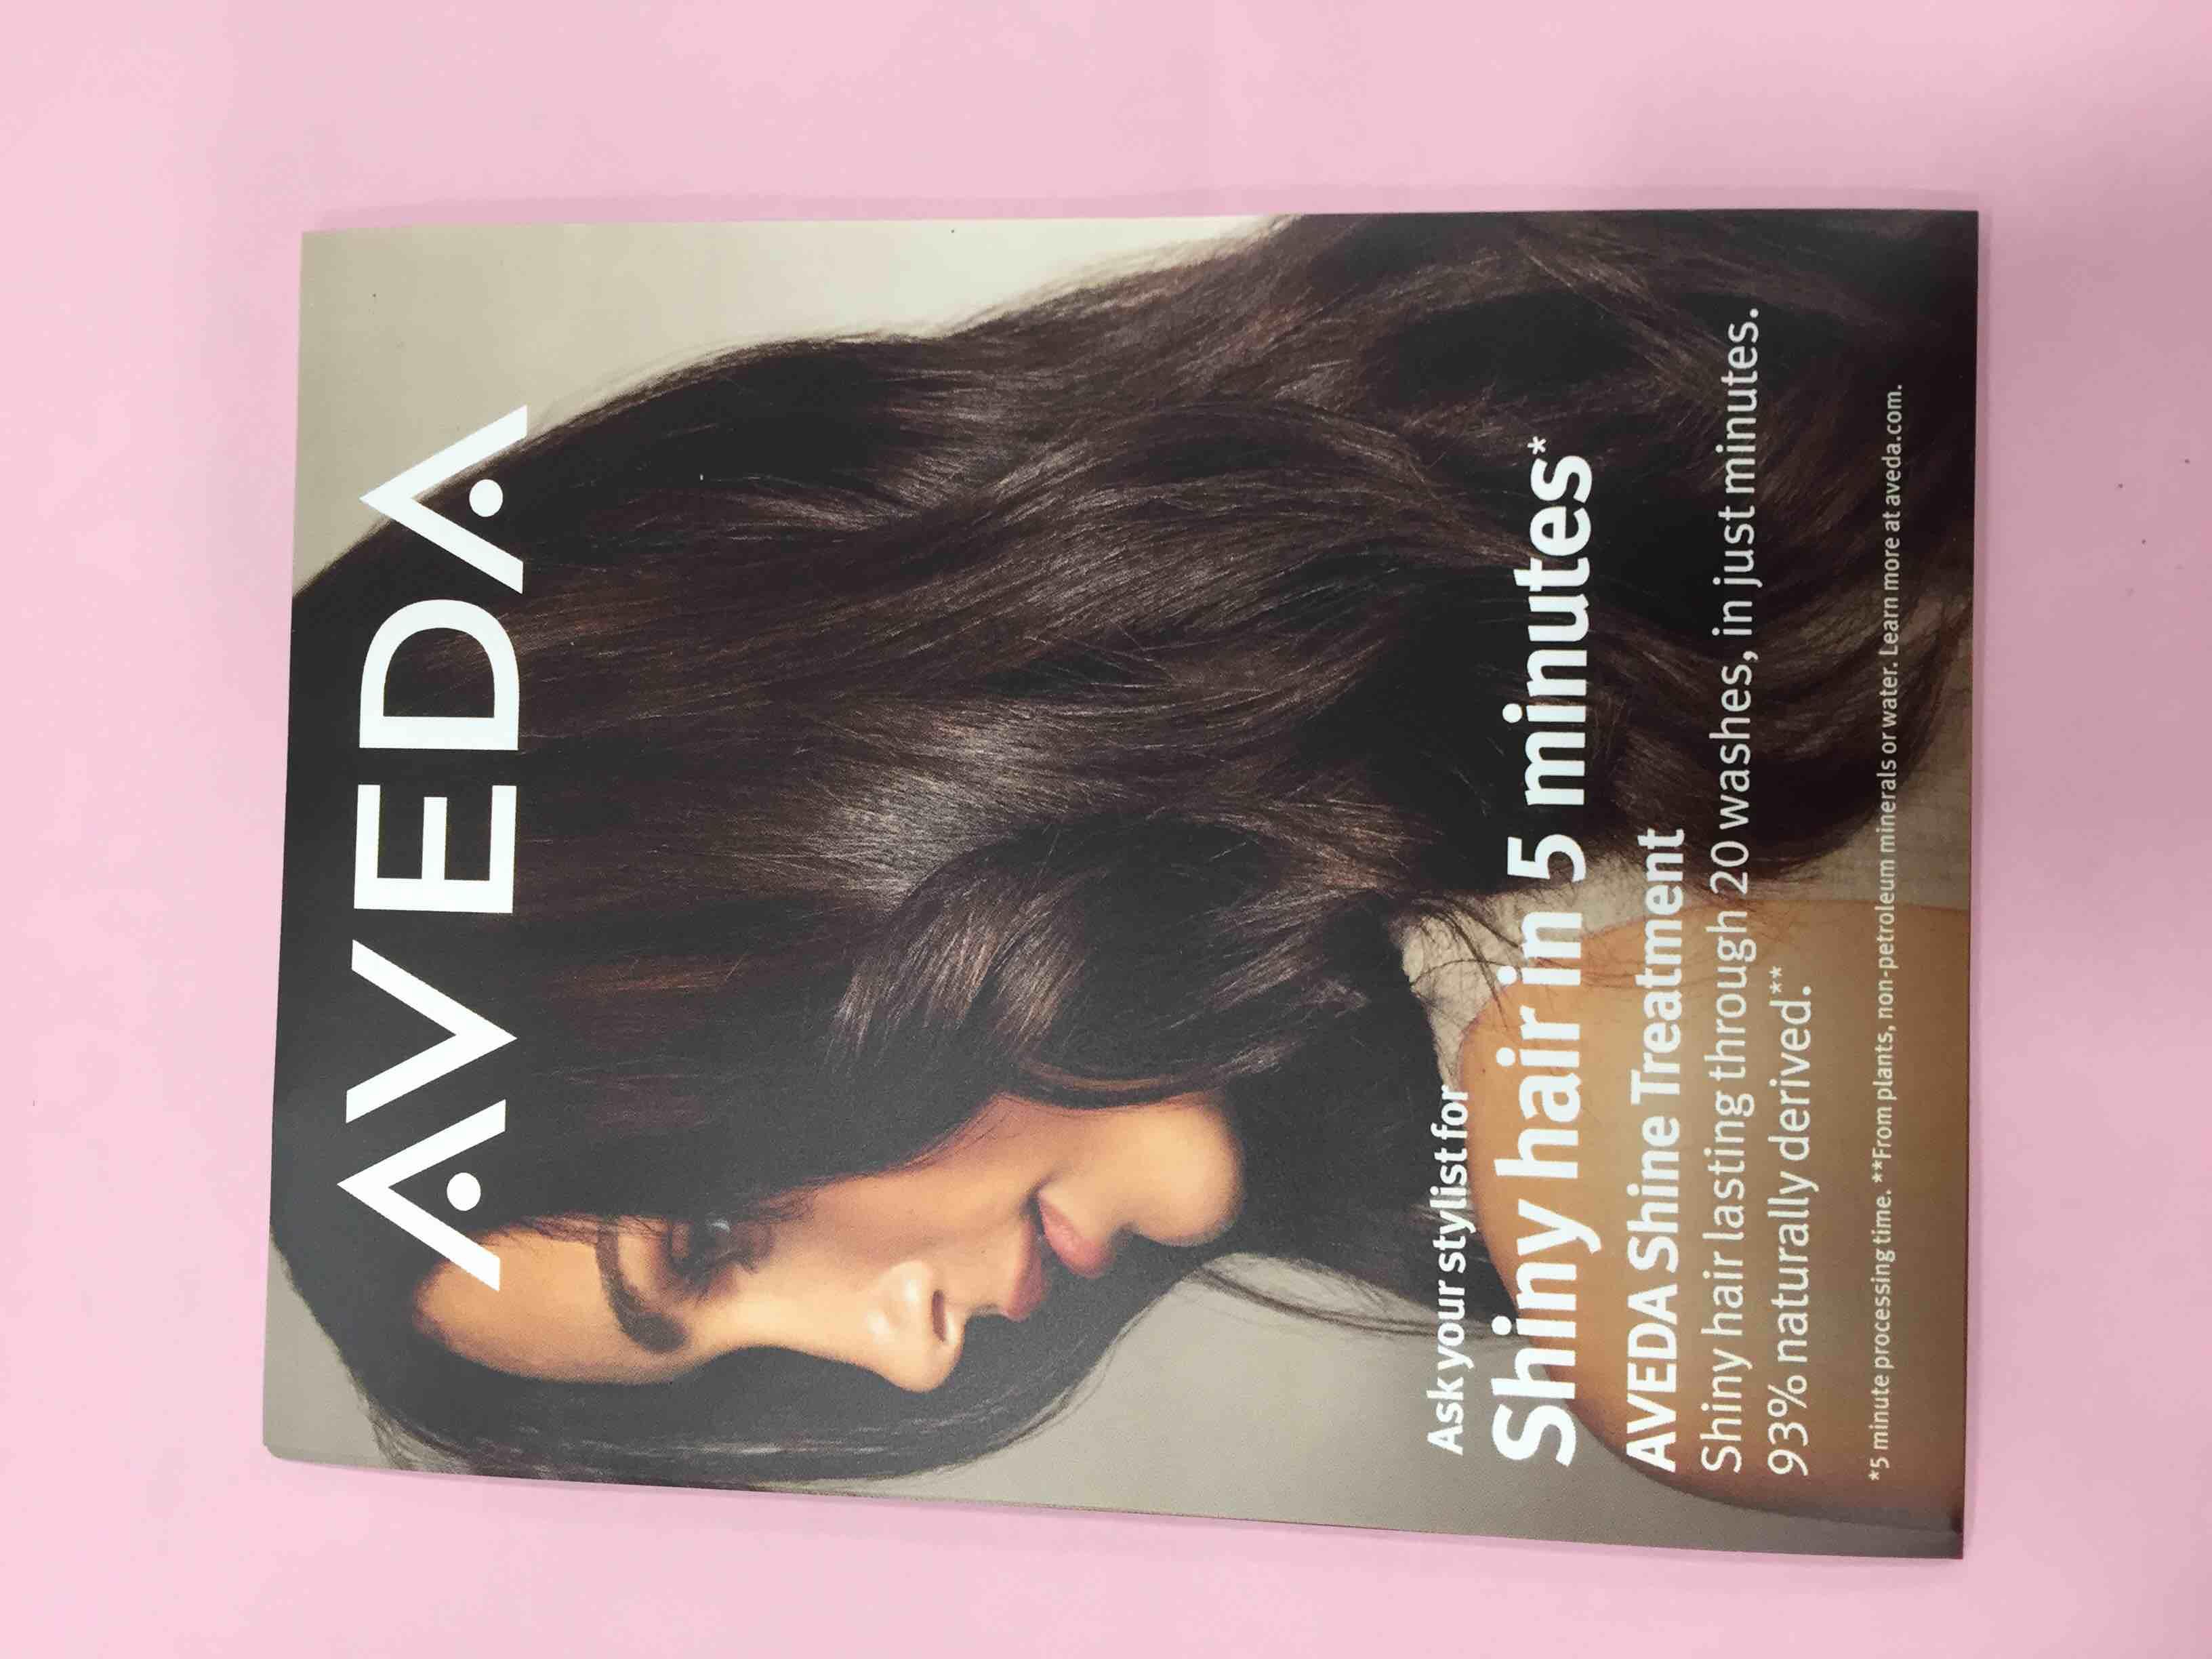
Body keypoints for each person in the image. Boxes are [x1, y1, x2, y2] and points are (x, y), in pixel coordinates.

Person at [270, 211, 1975, 1492]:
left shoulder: (1612, 1116)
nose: (902, 1355)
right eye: (729, 1360)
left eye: (712, 1238)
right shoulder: (1593, 1234)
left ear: (772, 806)